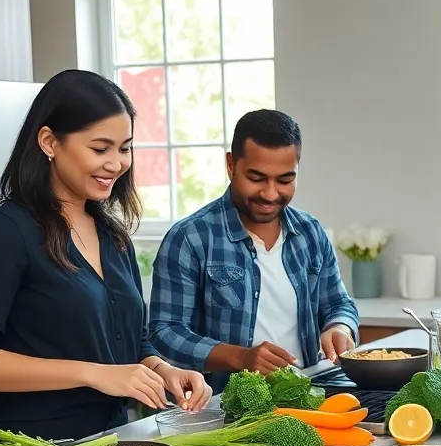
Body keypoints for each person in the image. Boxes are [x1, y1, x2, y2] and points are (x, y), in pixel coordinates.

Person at [0, 70, 211, 446]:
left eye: (125, 148)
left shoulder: (113, 237)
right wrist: (93, 373)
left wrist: (163, 370)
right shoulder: (6, 231)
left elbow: (133, 342)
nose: (117, 164)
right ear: (50, 142)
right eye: (100, 149)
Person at [149, 109, 358, 393]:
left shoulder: (310, 232)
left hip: (310, 396)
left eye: (284, 180)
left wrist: (340, 327)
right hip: (225, 406)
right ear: (231, 165)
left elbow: (339, 304)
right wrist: (240, 357)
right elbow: (165, 331)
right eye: (257, 178)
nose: (271, 194)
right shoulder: (190, 238)